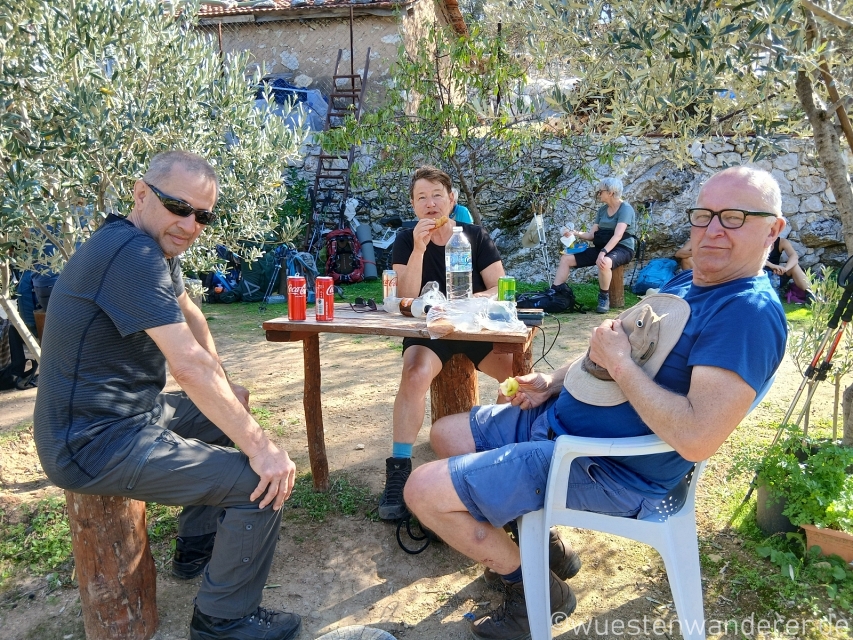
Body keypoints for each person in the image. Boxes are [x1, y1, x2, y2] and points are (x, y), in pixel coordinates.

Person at [403, 166, 787, 640]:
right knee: (445, 434)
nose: (711, 230)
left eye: (733, 217)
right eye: (703, 215)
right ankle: (544, 547)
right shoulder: (690, 284)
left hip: (605, 467)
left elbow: (695, 437)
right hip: (561, 425)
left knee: (422, 491)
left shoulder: (746, 314)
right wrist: (552, 381)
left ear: (773, 229)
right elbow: (607, 351)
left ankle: (533, 591)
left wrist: (621, 364)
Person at [33, 151, 302, 640]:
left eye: (203, 216)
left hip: (127, 415)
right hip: (90, 442)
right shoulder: (131, 254)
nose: (190, 225)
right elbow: (187, 365)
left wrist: (226, 386)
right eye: (179, 207)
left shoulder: (150, 248)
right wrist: (263, 449)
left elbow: (192, 316)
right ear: (141, 194)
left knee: (227, 413)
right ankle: (223, 620)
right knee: (258, 483)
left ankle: (197, 543)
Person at [380, 165, 514, 520]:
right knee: (414, 373)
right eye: (421, 197)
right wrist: (418, 249)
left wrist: (465, 304)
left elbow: (499, 287)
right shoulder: (406, 238)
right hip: (428, 330)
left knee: (514, 375)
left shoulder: (475, 236)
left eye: (437, 195)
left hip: (472, 326)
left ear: (452, 199)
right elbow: (405, 297)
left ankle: (492, 453)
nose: (430, 204)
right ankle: (399, 468)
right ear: (413, 205)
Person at [550, 177, 636, 313]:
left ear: (611, 193)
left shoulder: (625, 209)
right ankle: (555, 292)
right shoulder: (602, 211)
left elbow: (618, 235)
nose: (598, 194)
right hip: (601, 248)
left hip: (622, 248)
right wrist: (574, 232)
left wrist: (603, 252)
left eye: (600, 191)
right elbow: (591, 235)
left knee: (604, 262)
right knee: (566, 258)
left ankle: (604, 297)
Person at [765, 233, 814, 301]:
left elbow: (794, 256)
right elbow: (754, 260)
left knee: (794, 266)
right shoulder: (755, 241)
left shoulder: (782, 242)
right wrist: (772, 266)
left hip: (776, 277)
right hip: (759, 277)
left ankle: (811, 295)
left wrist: (785, 269)